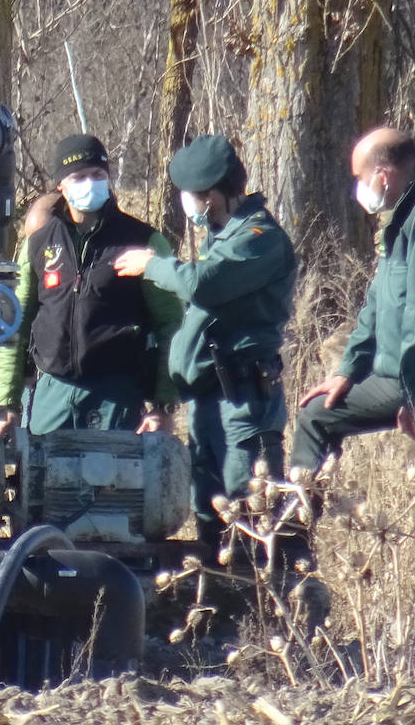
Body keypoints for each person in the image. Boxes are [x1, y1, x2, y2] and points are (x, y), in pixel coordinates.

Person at [286, 127, 415, 658]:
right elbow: (377, 306)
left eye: (360, 178)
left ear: (383, 174)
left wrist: (413, 394)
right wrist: (347, 369)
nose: (357, 189)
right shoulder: (401, 220)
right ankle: (293, 569)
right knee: (318, 414)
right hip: (406, 375)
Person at [114, 135, 295, 565]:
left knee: (249, 502)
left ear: (210, 195)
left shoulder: (258, 238)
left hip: (243, 402)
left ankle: (264, 608)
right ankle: (218, 600)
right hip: (209, 400)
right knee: (210, 506)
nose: (186, 205)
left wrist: (152, 266)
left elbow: (202, 283)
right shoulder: (223, 235)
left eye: (189, 196)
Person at [0, 134, 183, 437]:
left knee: (113, 483)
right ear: (62, 185)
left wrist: (164, 405)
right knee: (42, 480)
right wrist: (6, 404)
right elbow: (16, 325)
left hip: (116, 398)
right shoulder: (38, 244)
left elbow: (172, 325)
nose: (89, 183)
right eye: (79, 176)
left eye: (97, 175)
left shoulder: (143, 241)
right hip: (51, 394)